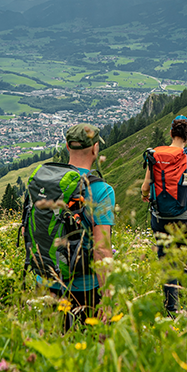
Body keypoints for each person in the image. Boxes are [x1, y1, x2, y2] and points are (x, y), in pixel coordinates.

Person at [48, 123, 115, 330]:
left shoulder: (46, 181)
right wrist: (108, 297)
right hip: (84, 288)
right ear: (95, 148)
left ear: (67, 147)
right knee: (88, 350)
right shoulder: (101, 190)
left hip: (47, 281)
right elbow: (102, 249)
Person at [140, 115, 187, 315]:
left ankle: (171, 308)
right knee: (186, 258)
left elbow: (145, 187)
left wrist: (145, 196)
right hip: (185, 218)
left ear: (171, 133)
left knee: (166, 261)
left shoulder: (155, 155)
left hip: (160, 217)